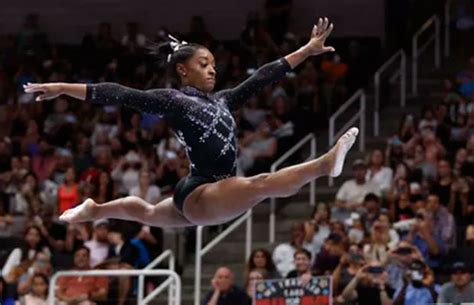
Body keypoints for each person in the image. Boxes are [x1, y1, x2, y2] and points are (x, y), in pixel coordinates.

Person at [24, 18, 360, 228]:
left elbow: (263, 76)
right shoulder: (174, 100)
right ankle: (324, 164)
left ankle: (96, 210)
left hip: (204, 193)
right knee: (262, 184)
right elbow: (119, 93)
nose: (213, 69)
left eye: (214, 63)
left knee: (150, 213)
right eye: (204, 63)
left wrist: (306, 49)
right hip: (203, 191)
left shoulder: (225, 99)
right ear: (183, 70)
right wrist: (62, 88)